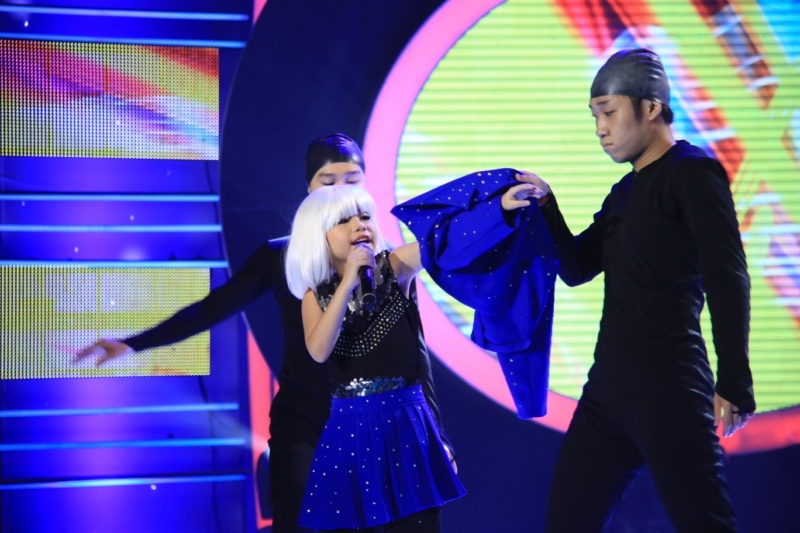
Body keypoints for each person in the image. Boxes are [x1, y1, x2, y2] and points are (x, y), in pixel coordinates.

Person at [75, 133, 453, 533]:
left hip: (379, 420)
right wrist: (133, 343)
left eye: (352, 180)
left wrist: (437, 433)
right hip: (307, 418)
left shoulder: (388, 262)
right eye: (328, 181)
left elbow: (416, 352)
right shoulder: (283, 257)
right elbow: (212, 308)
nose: (340, 191)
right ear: (308, 188)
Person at [498, 48, 755, 532]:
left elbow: (727, 275)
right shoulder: (624, 191)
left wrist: (735, 379)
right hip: (607, 394)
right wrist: (546, 205)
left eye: (609, 112)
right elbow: (577, 267)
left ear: (651, 107)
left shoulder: (691, 172)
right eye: (594, 116)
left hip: (669, 387)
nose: (600, 128)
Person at [284, 185, 465, 532]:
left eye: (365, 216)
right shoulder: (314, 296)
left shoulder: (395, 266)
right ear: (317, 235)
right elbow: (318, 350)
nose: (359, 225)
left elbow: (441, 244)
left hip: (406, 424)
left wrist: (499, 209)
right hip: (352, 431)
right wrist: (348, 282)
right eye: (343, 220)